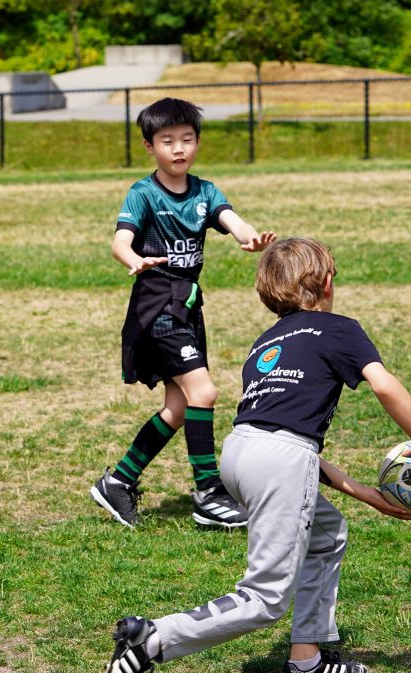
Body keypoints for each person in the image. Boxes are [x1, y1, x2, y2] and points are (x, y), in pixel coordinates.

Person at [104, 236, 411, 673]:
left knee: (326, 535)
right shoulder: (340, 328)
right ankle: (154, 637)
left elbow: (288, 442)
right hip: (279, 458)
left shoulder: (266, 342)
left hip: (239, 452)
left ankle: (307, 662)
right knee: (265, 598)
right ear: (326, 282)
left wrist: (363, 492)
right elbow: (383, 386)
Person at [90, 97, 276, 529]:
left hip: (188, 305)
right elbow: (119, 239)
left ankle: (118, 481)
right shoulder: (143, 194)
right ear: (149, 146)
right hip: (156, 304)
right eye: (167, 140)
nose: (179, 149)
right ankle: (209, 493)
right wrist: (131, 258)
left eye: (187, 139)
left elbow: (232, 219)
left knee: (180, 406)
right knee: (204, 392)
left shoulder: (205, 191)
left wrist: (250, 238)